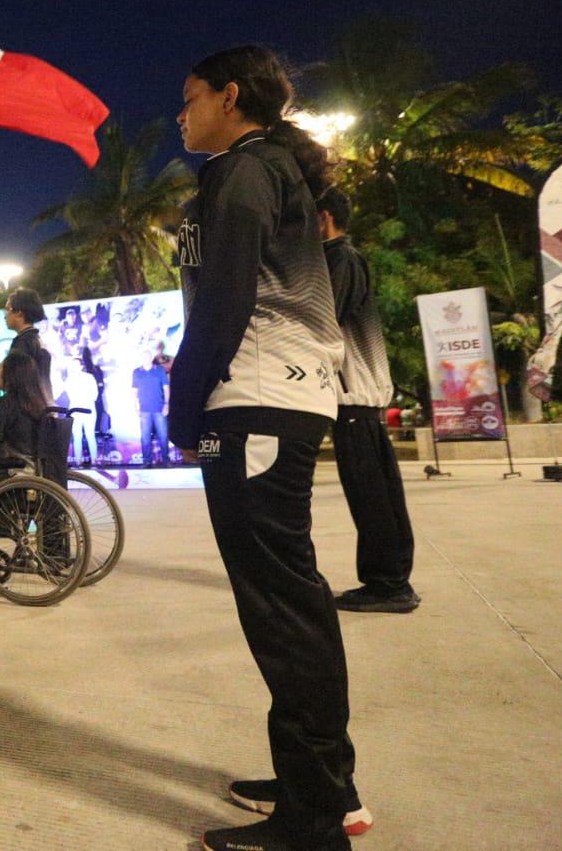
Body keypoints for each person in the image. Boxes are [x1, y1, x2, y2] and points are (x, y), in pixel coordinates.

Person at [169, 45, 364, 851]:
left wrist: (186, 401)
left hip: (253, 401)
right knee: (291, 599)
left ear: (230, 95)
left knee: (282, 608)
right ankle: (320, 785)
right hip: (277, 399)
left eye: (189, 99)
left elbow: (225, 295)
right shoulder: (269, 166)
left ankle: (315, 820)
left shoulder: (244, 169)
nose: (180, 115)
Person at [318, 187, 420, 614]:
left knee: (370, 496)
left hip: (355, 399)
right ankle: (393, 578)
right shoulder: (349, 258)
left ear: (322, 218)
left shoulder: (339, 260)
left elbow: (322, 322)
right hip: (365, 399)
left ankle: (386, 584)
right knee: (381, 493)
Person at [4, 288, 54, 401]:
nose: (5, 315)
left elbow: (15, 384)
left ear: (19, 313)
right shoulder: (35, 339)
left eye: (8, 310)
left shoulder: (22, 343)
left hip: (25, 410)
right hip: (40, 407)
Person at [132, 352, 171, 467]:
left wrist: (166, 404)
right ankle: (146, 461)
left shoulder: (159, 370)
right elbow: (134, 391)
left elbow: (166, 388)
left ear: (151, 358)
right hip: (144, 409)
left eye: (148, 356)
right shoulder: (136, 372)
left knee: (163, 436)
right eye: (143, 356)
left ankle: (166, 460)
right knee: (145, 438)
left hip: (159, 408)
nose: (145, 358)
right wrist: (135, 407)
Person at [63, 357, 100, 465]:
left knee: (90, 435)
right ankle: (78, 461)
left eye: (76, 364)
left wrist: (85, 400)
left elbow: (95, 394)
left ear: (81, 366)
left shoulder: (89, 377)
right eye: (72, 365)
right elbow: (69, 395)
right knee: (77, 436)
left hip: (88, 409)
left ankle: (94, 461)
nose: (74, 367)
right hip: (75, 410)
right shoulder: (69, 379)